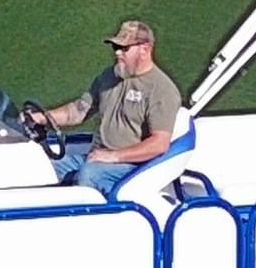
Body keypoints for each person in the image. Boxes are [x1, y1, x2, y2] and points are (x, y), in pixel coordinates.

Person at [30, 20, 182, 195]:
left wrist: (113, 156)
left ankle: (88, 217)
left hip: (131, 166)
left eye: (124, 49)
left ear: (144, 49)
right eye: (115, 47)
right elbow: (78, 111)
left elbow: (159, 144)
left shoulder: (161, 89)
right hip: (96, 157)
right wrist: (40, 117)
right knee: (46, 168)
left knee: (89, 174)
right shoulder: (109, 77)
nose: (117, 53)